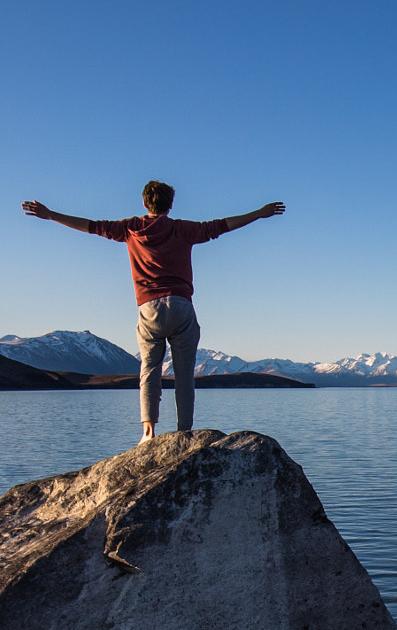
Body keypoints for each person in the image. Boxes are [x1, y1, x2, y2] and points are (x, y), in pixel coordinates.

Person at [21, 182, 285, 443]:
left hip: (149, 309)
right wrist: (258, 213)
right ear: (170, 204)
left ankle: (148, 433)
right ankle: (184, 431)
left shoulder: (130, 228)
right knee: (184, 374)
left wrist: (51, 215)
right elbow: (220, 226)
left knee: (149, 371)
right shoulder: (182, 229)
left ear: (145, 203)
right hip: (181, 306)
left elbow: (91, 226)